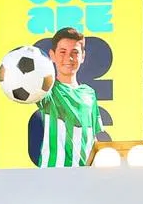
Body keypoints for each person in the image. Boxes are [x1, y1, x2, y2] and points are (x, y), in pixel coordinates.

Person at [36, 28, 103, 169]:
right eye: (62, 52)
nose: (69, 58)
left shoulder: (89, 94)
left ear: (83, 56)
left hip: (85, 177)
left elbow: (93, 139)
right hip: (53, 175)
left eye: (75, 52)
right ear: (52, 55)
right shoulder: (48, 89)